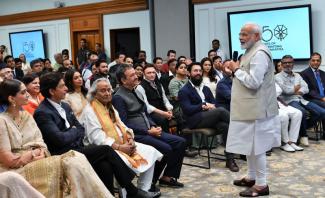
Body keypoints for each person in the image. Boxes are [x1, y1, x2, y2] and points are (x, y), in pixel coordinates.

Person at [33, 72, 154, 197]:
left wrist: (73, 131)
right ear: (52, 91)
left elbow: (80, 128)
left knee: (104, 165)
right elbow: (59, 139)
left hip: (77, 148)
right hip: (61, 154)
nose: (66, 88)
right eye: (62, 86)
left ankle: (110, 195)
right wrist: (74, 131)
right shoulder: (43, 112)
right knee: (106, 150)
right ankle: (132, 191)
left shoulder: (64, 105)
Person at [0, 79, 113, 198]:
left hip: (37, 159)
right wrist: (32, 154)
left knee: (79, 159)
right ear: (11, 99)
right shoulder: (2, 121)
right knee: (72, 160)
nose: (27, 94)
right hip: (17, 169)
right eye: (23, 92)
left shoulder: (27, 116)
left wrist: (40, 152)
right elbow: (10, 161)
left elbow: (41, 143)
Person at [81, 78, 163, 197]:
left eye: (109, 90)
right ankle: (127, 194)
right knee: (122, 162)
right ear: (94, 94)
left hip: (123, 142)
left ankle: (143, 189)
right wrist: (120, 147)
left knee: (151, 151)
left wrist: (130, 139)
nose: (108, 93)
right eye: (103, 91)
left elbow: (122, 125)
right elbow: (97, 138)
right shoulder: (90, 110)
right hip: (106, 148)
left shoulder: (109, 107)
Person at [226, 23, 280, 197]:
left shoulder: (260, 54)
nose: (241, 37)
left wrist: (236, 70)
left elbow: (254, 82)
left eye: (245, 34)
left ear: (256, 36)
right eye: (240, 34)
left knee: (258, 148)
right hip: (249, 108)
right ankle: (251, 177)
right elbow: (246, 76)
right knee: (249, 146)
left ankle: (262, 185)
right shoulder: (250, 51)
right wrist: (233, 71)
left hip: (258, 110)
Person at [112, 64, 186, 189]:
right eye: (132, 75)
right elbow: (123, 125)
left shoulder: (136, 90)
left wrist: (154, 126)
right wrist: (147, 131)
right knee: (166, 149)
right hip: (137, 135)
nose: (137, 77)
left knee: (181, 142)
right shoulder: (118, 97)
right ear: (123, 80)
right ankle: (150, 183)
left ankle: (167, 177)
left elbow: (145, 113)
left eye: (135, 74)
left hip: (149, 130)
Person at [178, 62, 238, 172]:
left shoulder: (205, 88)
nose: (198, 73)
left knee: (225, 125)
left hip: (209, 117)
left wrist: (211, 106)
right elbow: (187, 110)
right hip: (194, 120)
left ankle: (230, 159)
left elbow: (214, 103)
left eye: (200, 71)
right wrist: (203, 106)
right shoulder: (184, 91)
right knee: (220, 111)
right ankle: (239, 127)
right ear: (189, 73)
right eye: (195, 71)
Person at [275, 55, 325, 147]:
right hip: (288, 101)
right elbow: (286, 91)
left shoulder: (297, 75)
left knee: (322, 112)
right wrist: (294, 89)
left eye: (289, 62)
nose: (287, 65)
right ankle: (303, 135)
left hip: (301, 99)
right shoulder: (277, 77)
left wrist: (298, 90)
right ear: (281, 65)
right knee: (302, 112)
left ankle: (301, 129)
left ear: (293, 64)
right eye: (285, 63)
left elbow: (306, 88)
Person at [136, 64, 173, 133]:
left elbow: (165, 99)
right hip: (151, 113)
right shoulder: (140, 87)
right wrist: (163, 113)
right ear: (144, 74)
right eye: (149, 73)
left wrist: (169, 109)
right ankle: (166, 138)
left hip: (162, 110)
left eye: (153, 72)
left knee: (180, 115)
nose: (152, 75)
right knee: (163, 119)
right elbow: (147, 106)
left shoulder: (159, 84)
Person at [275, 83, 304, 152]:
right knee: (283, 116)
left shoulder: (269, 77)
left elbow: (279, 90)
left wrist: (271, 92)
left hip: (278, 102)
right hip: (268, 104)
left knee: (298, 113)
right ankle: (285, 142)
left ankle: (292, 141)